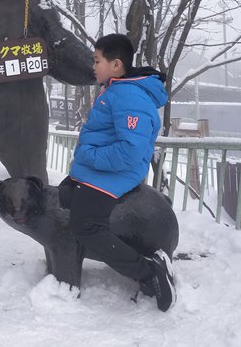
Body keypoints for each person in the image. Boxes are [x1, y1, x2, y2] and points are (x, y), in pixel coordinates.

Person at [65, 33, 175, 311]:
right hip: (100, 168)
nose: (93, 66)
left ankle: (150, 271)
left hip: (114, 173)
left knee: (84, 225)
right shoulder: (118, 89)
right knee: (65, 196)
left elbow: (131, 152)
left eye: (97, 60)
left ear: (115, 65)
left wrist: (88, 155)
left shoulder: (129, 96)